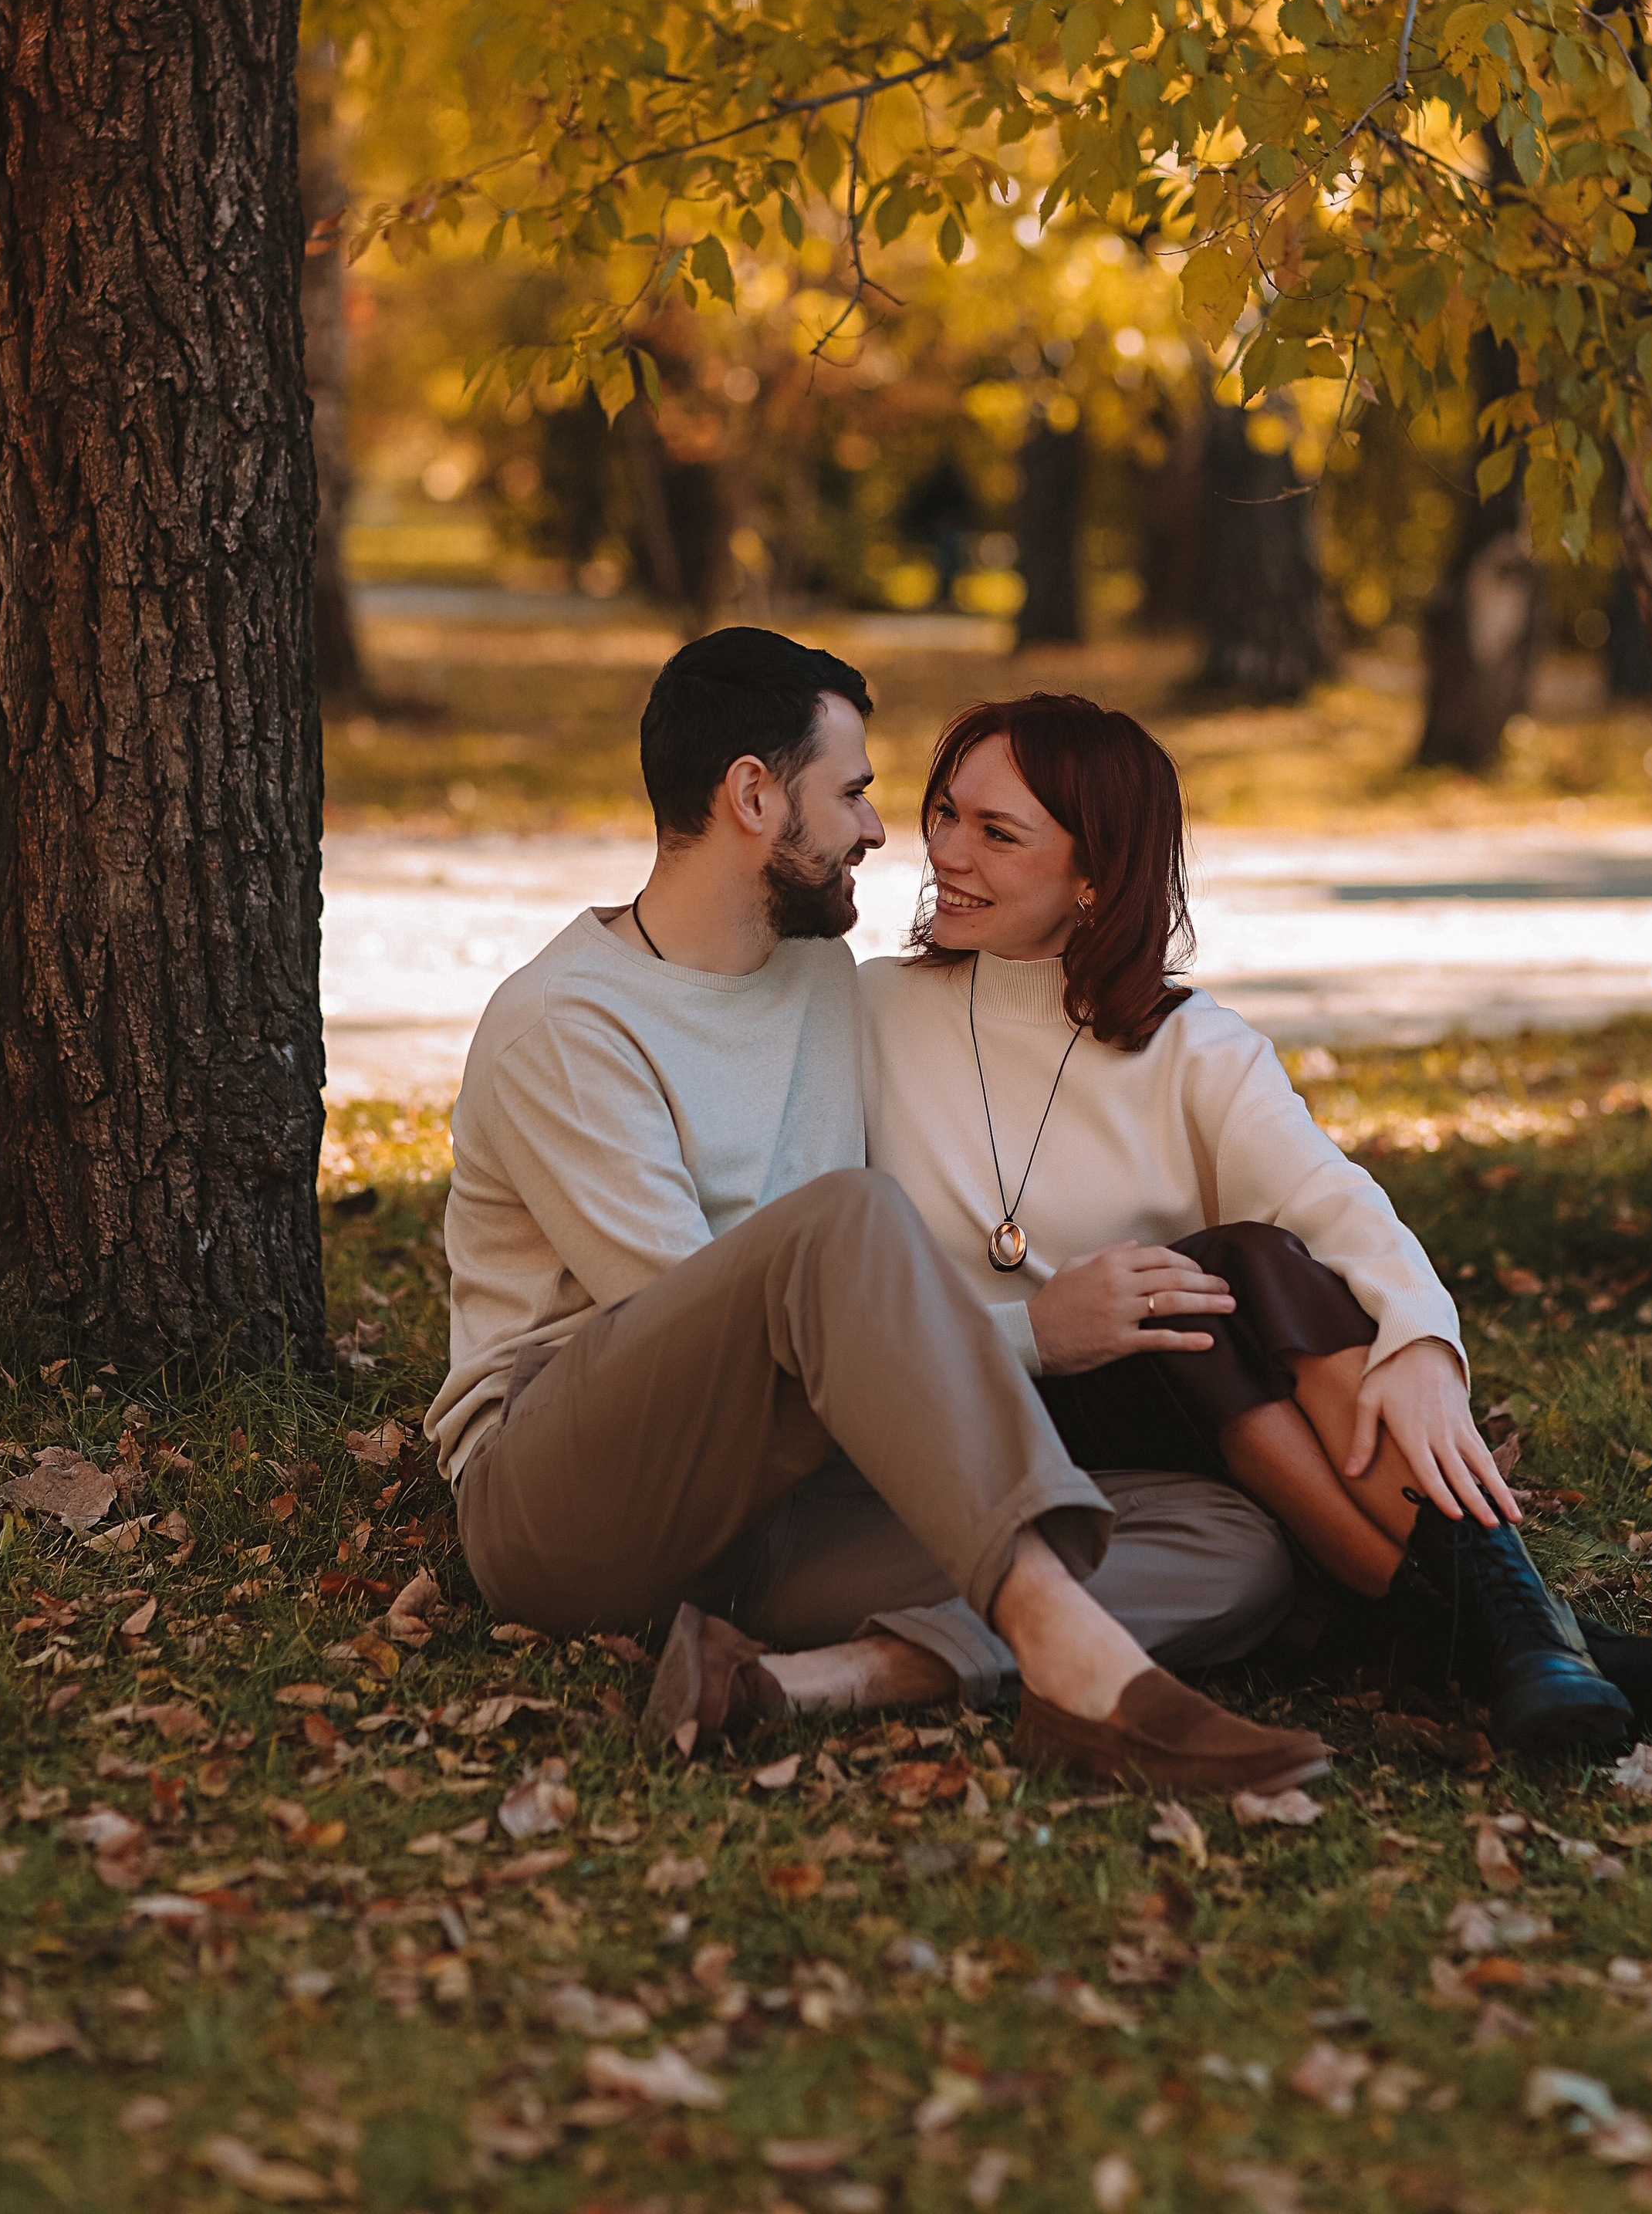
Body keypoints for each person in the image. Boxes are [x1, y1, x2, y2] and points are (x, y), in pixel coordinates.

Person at [423, 627, 1331, 1796]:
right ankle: (1084, 1675)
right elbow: (688, 1320)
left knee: (1228, 1542)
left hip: (783, 1510)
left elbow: (1016, 1028)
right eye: (852, 792)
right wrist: (1031, 1335)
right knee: (839, 1221)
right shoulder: (569, 1024)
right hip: (570, 1504)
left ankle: (815, 1683)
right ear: (754, 795)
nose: (878, 829)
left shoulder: (821, 982)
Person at [860, 694, 1652, 1759]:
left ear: (1095, 879)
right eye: (946, 813)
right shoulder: (869, 1014)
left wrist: (1420, 1344)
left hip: (1179, 1431)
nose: (947, 852)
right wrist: (1041, 1322)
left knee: (1244, 1264)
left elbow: (1334, 1207)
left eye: (997, 833)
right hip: (984, 1417)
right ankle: (1537, 1635)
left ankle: (1522, 1643)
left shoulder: (1193, 1048)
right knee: (1207, 1278)